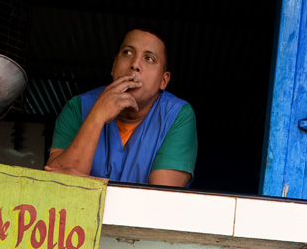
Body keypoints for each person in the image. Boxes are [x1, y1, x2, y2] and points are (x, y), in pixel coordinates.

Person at [44, 26, 197, 187]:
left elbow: (159, 199)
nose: (135, 65)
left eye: (149, 58)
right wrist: (97, 115)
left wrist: (88, 184)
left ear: (163, 81)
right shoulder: (78, 107)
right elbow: (57, 188)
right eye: (128, 53)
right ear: (114, 65)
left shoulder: (177, 115)